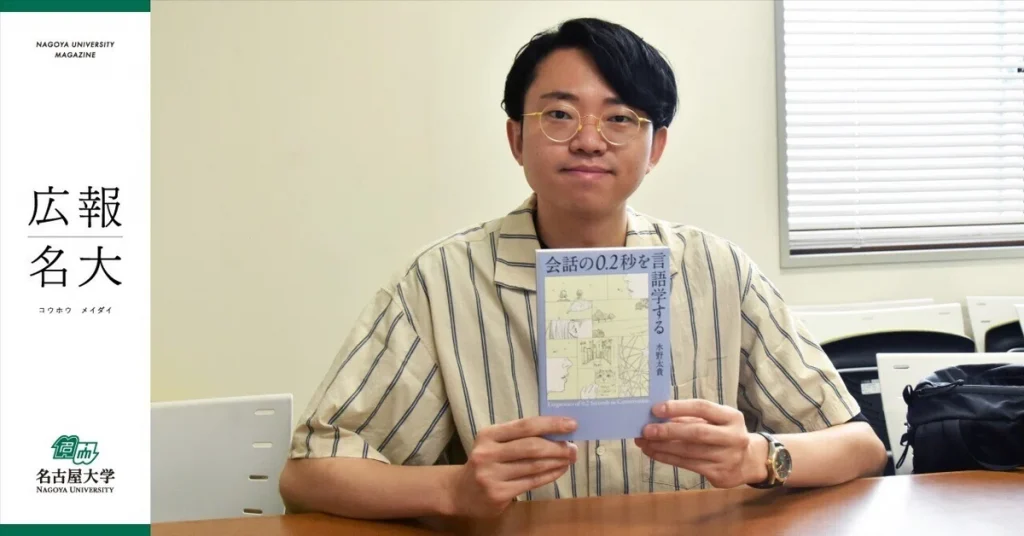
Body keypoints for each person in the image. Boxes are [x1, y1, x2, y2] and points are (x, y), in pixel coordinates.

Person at [278, 17, 888, 520]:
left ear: (656, 147)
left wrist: (760, 456)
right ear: (517, 138)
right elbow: (308, 475)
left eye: (621, 118)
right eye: (560, 115)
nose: (590, 140)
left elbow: (859, 445)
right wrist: (453, 489)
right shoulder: (440, 282)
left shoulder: (718, 270)